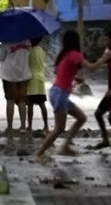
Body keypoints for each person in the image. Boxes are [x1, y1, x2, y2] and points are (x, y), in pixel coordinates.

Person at [34, 30, 105, 161]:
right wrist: (104, 58)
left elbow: (60, 72)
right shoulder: (74, 54)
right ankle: (40, 153)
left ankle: (65, 146)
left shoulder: (64, 55)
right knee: (59, 128)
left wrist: (75, 77)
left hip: (56, 92)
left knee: (81, 118)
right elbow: (92, 68)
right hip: (60, 94)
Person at [0, 39, 32, 134]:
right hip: (24, 74)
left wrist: (1, 47)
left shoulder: (6, 41)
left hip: (9, 75)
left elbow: (1, 58)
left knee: (10, 100)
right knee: (22, 100)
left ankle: (10, 127)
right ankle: (23, 127)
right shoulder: (27, 41)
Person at [26, 37, 48, 134]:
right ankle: (46, 125)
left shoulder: (29, 51)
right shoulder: (41, 50)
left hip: (32, 79)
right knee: (42, 104)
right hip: (41, 78)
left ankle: (30, 126)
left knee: (30, 104)